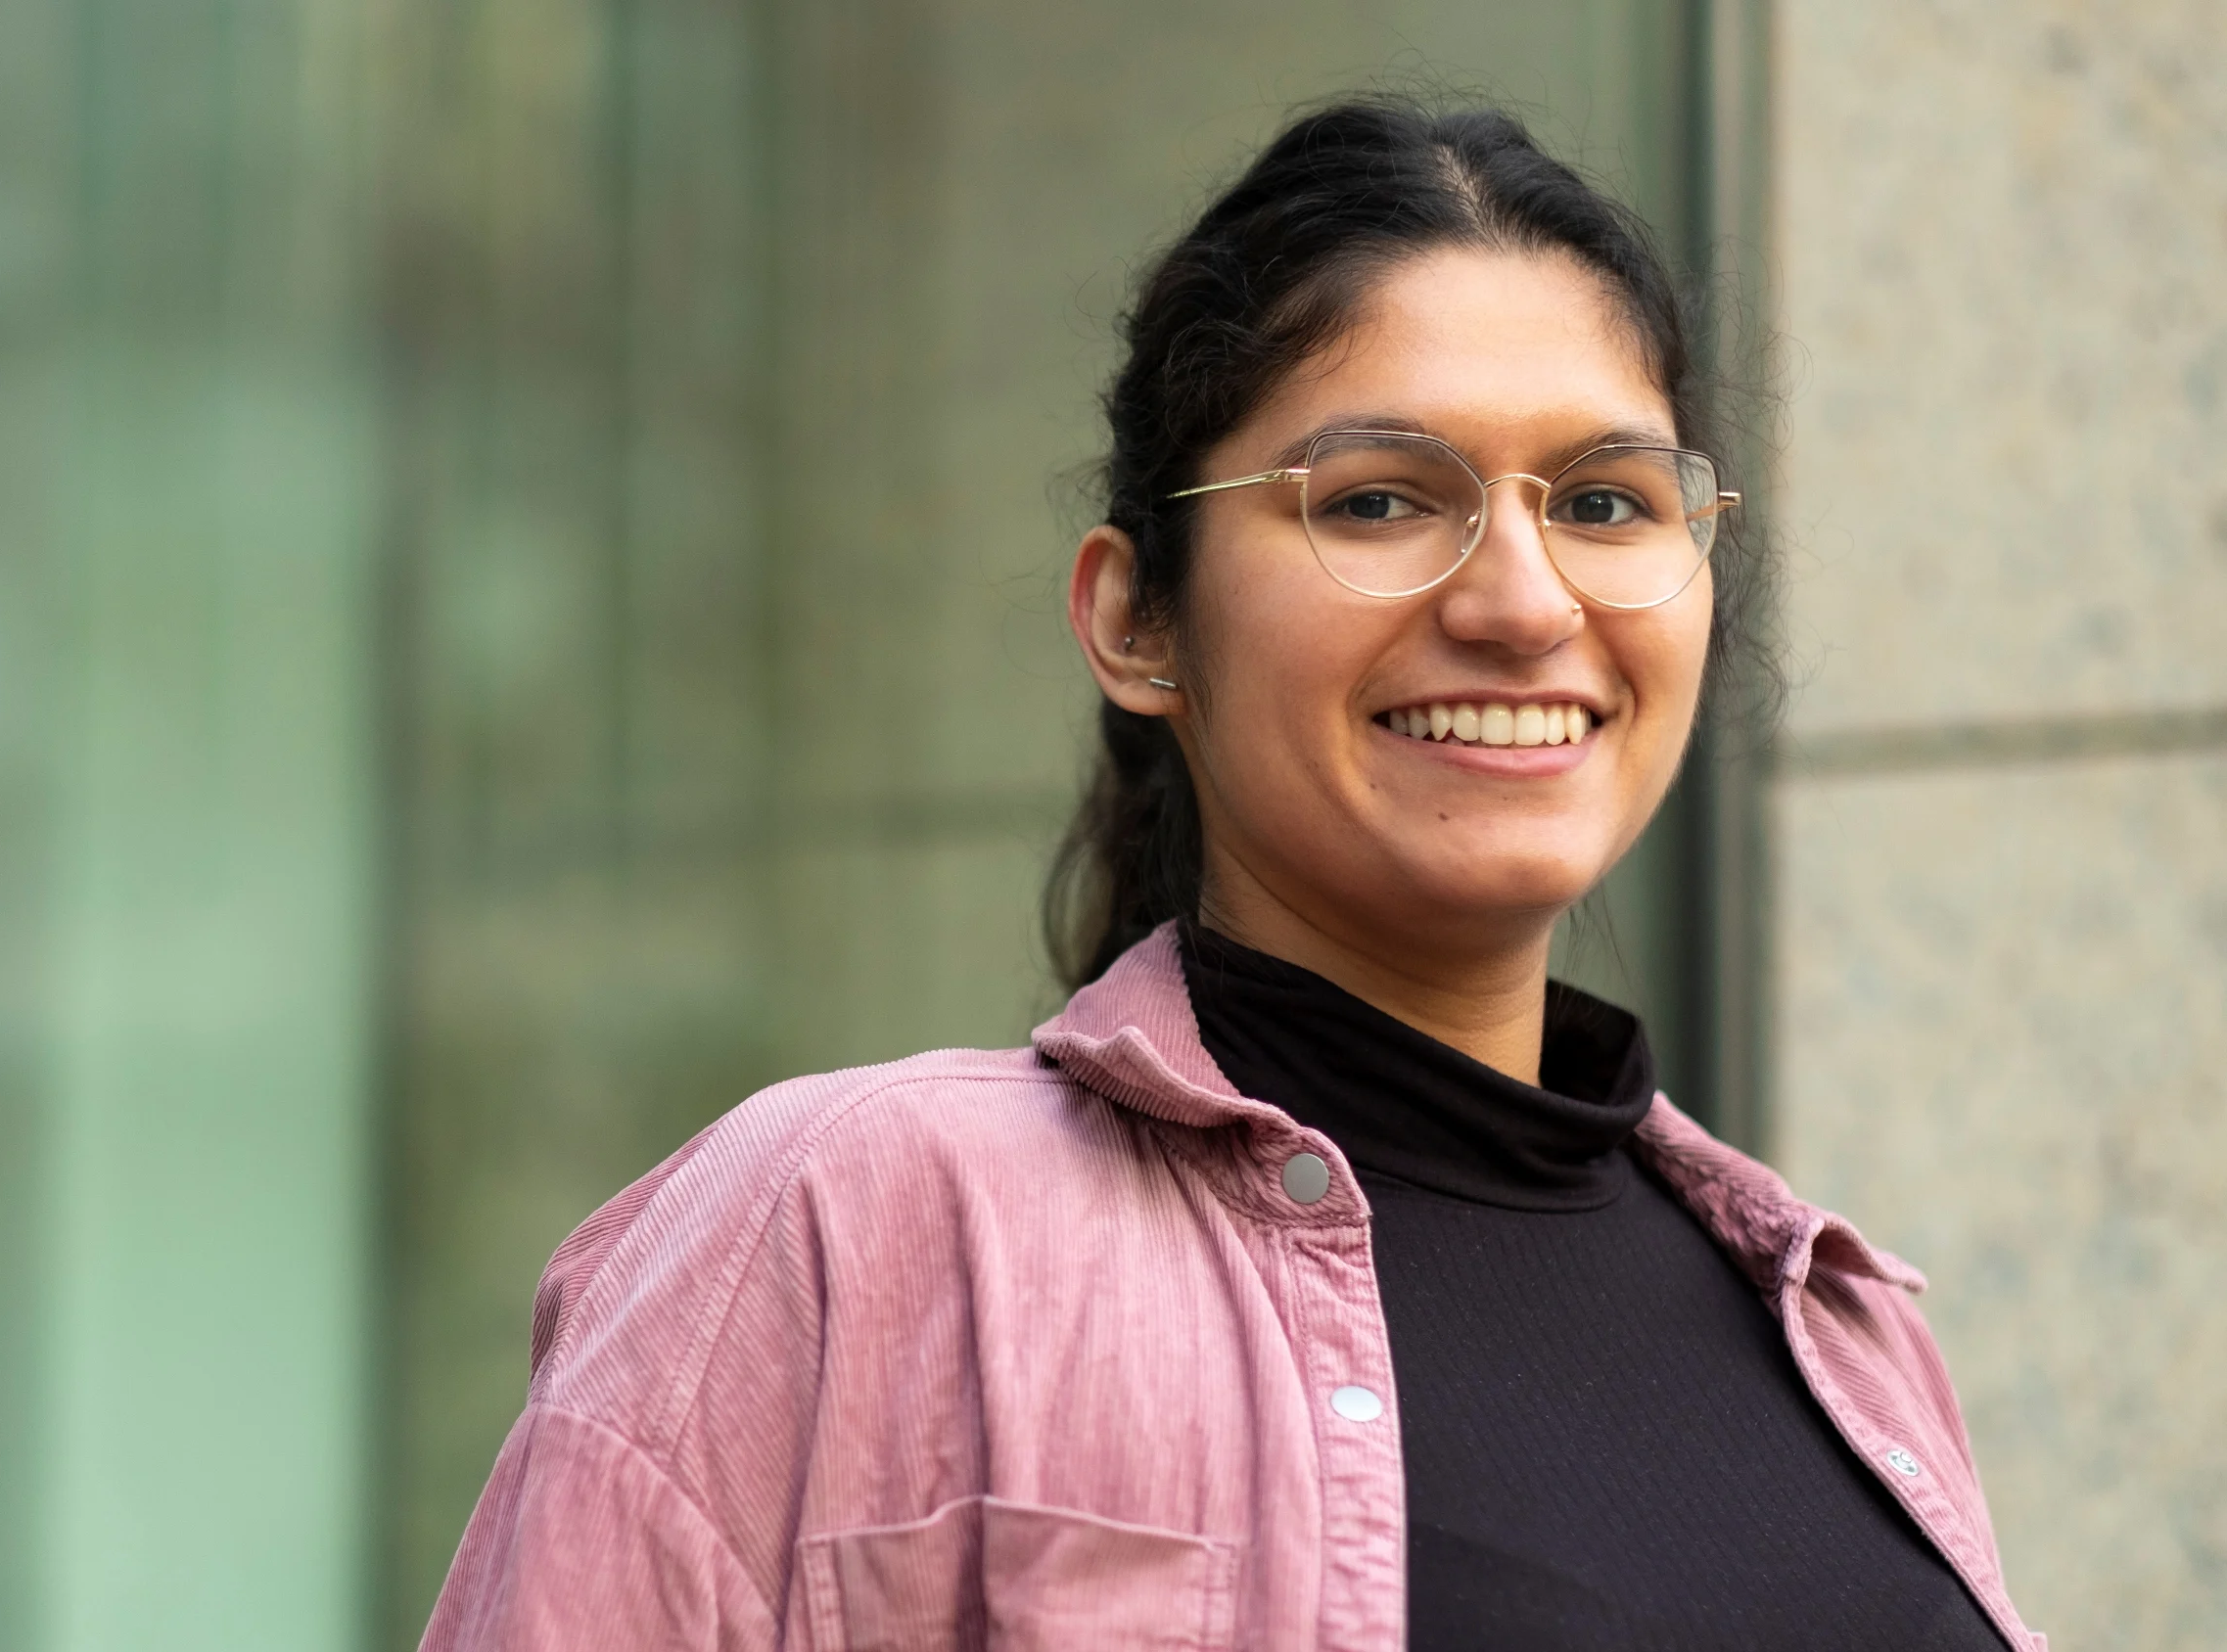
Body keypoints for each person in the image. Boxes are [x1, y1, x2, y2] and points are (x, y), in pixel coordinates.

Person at [419, 101, 2039, 1651]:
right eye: (1380, 499)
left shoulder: (1844, 1327)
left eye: (1607, 501)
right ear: (1138, 621)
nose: (1526, 603)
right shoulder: (842, 1229)